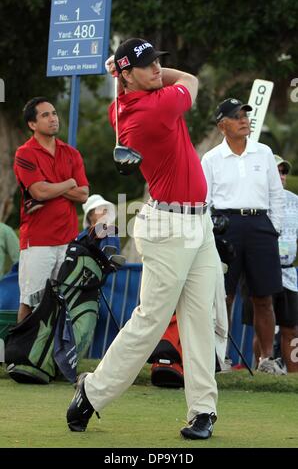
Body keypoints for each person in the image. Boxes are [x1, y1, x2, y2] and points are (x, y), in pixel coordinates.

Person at [66, 38, 219, 440]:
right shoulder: (157, 106)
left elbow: (132, 92)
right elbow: (189, 78)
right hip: (170, 228)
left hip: (197, 224)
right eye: (147, 65)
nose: (156, 69)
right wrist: (134, 74)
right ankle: (91, 393)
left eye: (157, 62)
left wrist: (128, 72)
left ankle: (203, 409)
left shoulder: (121, 106)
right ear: (128, 75)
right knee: (150, 322)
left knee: (199, 320)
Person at [201, 98, 285, 374]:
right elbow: (205, 201)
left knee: (263, 298)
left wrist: (274, 228)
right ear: (222, 125)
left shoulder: (264, 153)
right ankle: (219, 356)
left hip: (261, 227)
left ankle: (266, 360)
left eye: (245, 115)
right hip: (226, 228)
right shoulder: (211, 158)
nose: (244, 120)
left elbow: (276, 195)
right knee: (223, 296)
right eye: (237, 116)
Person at [13, 97, 89, 323]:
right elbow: (38, 192)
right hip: (38, 240)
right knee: (30, 301)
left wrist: (51, 185)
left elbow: (84, 194)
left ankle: (54, 355)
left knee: (61, 301)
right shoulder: (25, 153)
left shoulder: (71, 153)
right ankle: (20, 354)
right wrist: (68, 183)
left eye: (54, 113)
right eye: (45, 115)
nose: (53, 118)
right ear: (32, 125)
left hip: (68, 239)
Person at [242, 155, 298, 372]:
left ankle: (294, 379)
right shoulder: (250, 201)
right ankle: (263, 371)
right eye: (277, 171)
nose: (282, 176)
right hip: (258, 270)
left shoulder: (294, 200)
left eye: (284, 172)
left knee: (291, 329)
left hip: (288, 274)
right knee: (262, 329)